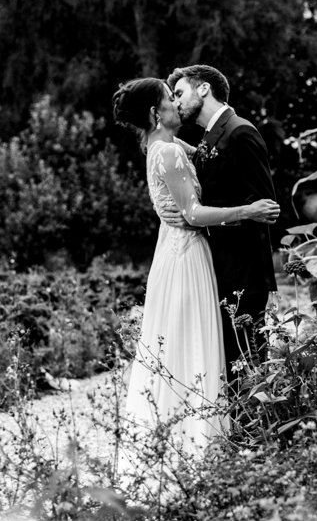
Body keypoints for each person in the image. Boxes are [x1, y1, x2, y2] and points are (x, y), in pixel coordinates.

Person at [111, 78, 280, 467]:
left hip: (177, 252)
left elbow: (205, 153)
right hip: (187, 256)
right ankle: (199, 450)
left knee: (188, 346)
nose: (176, 103)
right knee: (195, 346)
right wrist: (247, 212)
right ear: (156, 113)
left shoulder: (163, 146)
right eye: (170, 99)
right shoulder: (167, 153)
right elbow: (192, 214)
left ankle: (195, 445)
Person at [165, 64, 280, 386]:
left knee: (247, 364)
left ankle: (258, 432)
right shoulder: (209, 138)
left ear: (203, 89)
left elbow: (266, 208)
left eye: (179, 93)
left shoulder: (240, 132)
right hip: (220, 269)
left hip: (243, 271)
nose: (175, 103)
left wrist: (201, 220)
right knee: (232, 365)